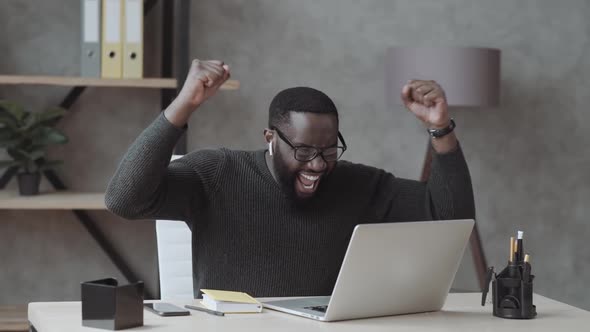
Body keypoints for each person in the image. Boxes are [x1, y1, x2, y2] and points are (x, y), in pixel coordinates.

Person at [105, 59, 475, 298]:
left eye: (329, 150)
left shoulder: (358, 185)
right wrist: (183, 105)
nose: (317, 164)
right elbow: (124, 199)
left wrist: (440, 129)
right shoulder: (216, 173)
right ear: (270, 139)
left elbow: (450, 218)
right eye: (303, 151)